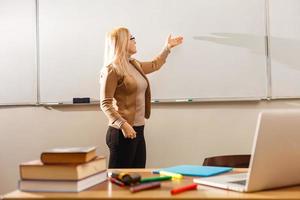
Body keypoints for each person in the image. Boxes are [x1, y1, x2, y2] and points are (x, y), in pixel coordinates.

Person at [100, 27, 183, 168]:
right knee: (119, 181)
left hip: (138, 129)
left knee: (137, 177)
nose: (135, 40)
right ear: (122, 42)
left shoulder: (134, 64)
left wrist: (167, 48)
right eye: (131, 38)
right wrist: (123, 125)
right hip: (122, 132)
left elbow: (154, 65)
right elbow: (105, 104)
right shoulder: (112, 70)